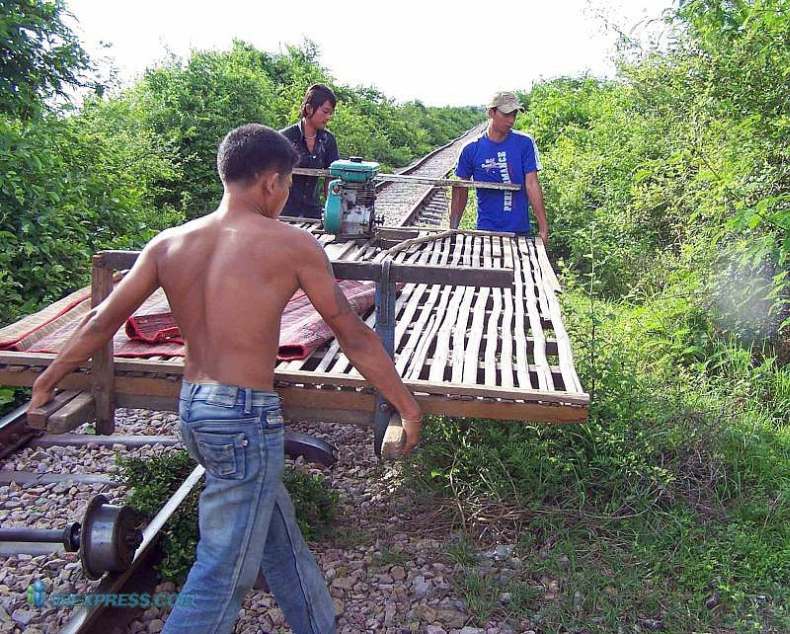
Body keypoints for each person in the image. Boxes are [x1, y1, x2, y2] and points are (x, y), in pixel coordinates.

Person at [28, 123, 423, 634]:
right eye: (284, 187)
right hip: (243, 419)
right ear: (271, 183)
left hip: (195, 408)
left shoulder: (169, 243)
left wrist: (48, 380)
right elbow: (350, 331)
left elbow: (101, 322)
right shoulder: (292, 244)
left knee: (279, 540)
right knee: (222, 575)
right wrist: (407, 405)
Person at [450, 91, 549, 243]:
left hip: (519, 233)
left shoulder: (525, 143)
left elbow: (532, 184)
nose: (511, 120)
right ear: (491, 112)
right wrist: (453, 229)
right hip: (485, 231)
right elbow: (460, 188)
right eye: (506, 114)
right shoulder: (471, 149)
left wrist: (543, 228)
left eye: (514, 115)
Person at [280, 83, 340, 219]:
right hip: (285, 213)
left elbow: (331, 180)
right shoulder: (285, 138)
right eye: (325, 111)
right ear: (309, 108)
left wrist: (332, 212)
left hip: (313, 213)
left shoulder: (328, 140)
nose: (328, 117)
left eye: (331, 113)